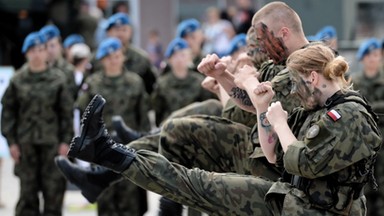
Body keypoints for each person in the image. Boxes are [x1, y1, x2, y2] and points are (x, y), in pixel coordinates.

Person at [67, 41, 382, 215]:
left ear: (313, 78)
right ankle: (108, 153)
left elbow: (303, 162)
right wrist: (263, 110)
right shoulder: (320, 107)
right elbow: (273, 155)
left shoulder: (350, 115)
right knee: (199, 182)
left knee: (200, 185)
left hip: (311, 210)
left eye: (297, 85)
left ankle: (109, 154)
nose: (294, 94)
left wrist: (280, 123)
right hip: (292, 198)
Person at [55, 0, 307, 209]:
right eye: (256, 45)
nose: (259, 50)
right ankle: (115, 158)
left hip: (274, 163)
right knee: (176, 133)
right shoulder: (279, 63)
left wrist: (238, 81)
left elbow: (241, 110)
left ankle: (116, 159)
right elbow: (249, 104)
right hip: (259, 146)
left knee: (189, 159)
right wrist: (224, 77)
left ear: (283, 32)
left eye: (260, 43)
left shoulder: (305, 66)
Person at [76, 37, 150, 216]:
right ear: (102, 60)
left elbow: (143, 117)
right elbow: (83, 115)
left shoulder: (135, 82)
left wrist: (144, 145)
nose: (114, 60)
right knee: (106, 199)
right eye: (109, 57)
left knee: (130, 198)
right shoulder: (93, 84)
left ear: (123, 57)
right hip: (102, 149)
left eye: (117, 56)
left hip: (128, 148)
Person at [1, 31, 73, 216]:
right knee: (28, 196)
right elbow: (8, 113)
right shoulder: (17, 80)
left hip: (53, 145)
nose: (37, 54)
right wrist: (12, 143)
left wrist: (66, 141)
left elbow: (66, 114)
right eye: (33, 50)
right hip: (26, 146)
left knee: (54, 194)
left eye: (41, 49)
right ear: (26, 53)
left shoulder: (58, 79)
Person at [351, 37, 384, 216]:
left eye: (376, 55)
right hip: (365, 145)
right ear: (363, 58)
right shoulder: (355, 82)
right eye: (369, 55)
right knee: (366, 188)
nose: (373, 59)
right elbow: (354, 109)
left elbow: (363, 108)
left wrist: (370, 107)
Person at [151, 38, 216, 126]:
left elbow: (208, 108)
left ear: (190, 57)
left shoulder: (199, 81)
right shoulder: (162, 83)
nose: (179, 59)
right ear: (169, 60)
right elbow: (158, 112)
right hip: (170, 128)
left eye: (183, 55)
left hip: (196, 128)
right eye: (175, 56)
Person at [102, 12, 157, 94]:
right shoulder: (98, 58)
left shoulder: (141, 59)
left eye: (124, 30)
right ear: (108, 32)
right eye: (116, 30)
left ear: (130, 32)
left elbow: (151, 88)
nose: (120, 34)